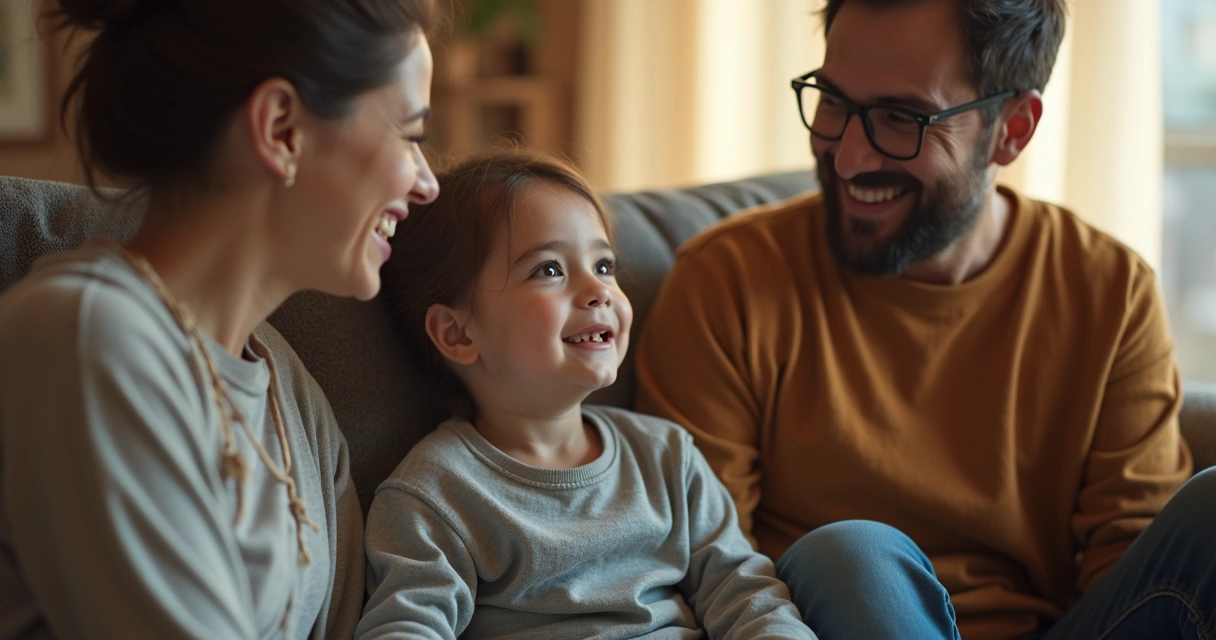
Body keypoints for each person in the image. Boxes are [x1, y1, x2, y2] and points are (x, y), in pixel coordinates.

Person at [636, 0, 1215, 638]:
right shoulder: (728, 282)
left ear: (1012, 128)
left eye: (902, 117)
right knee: (854, 554)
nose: (849, 158)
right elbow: (704, 566)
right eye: (832, 101)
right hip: (829, 618)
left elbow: (1135, 571)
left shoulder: (1109, 290)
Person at [0, 1, 439, 638]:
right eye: (411, 134)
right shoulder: (84, 339)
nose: (427, 183)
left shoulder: (291, 395)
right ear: (281, 128)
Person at [358, 149, 816, 639]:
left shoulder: (667, 458)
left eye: (603, 265)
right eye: (549, 270)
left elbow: (746, 593)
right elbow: (406, 626)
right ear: (458, 334)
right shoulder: (435, 494)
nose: (598, 291)